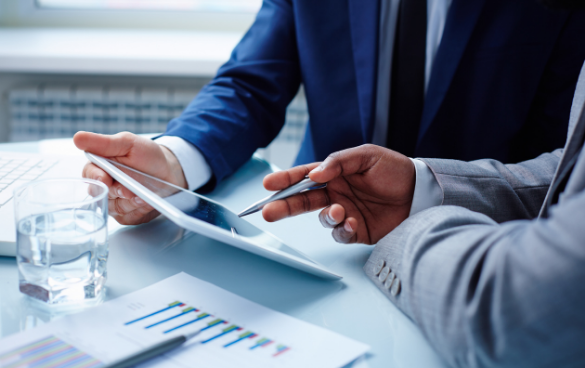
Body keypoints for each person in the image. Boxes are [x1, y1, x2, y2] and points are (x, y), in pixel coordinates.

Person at [257, 8, 585, 368]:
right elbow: (567, 172)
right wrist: (422, 185)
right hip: (323, 245)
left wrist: (414, 214)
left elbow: (513, 312)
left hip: (449, 295)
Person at [73, 0, 585, 226]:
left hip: (474, 234)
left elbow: (557, 158)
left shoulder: (554, 5)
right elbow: (251, 82)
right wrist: (173, 162)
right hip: (317, 217)